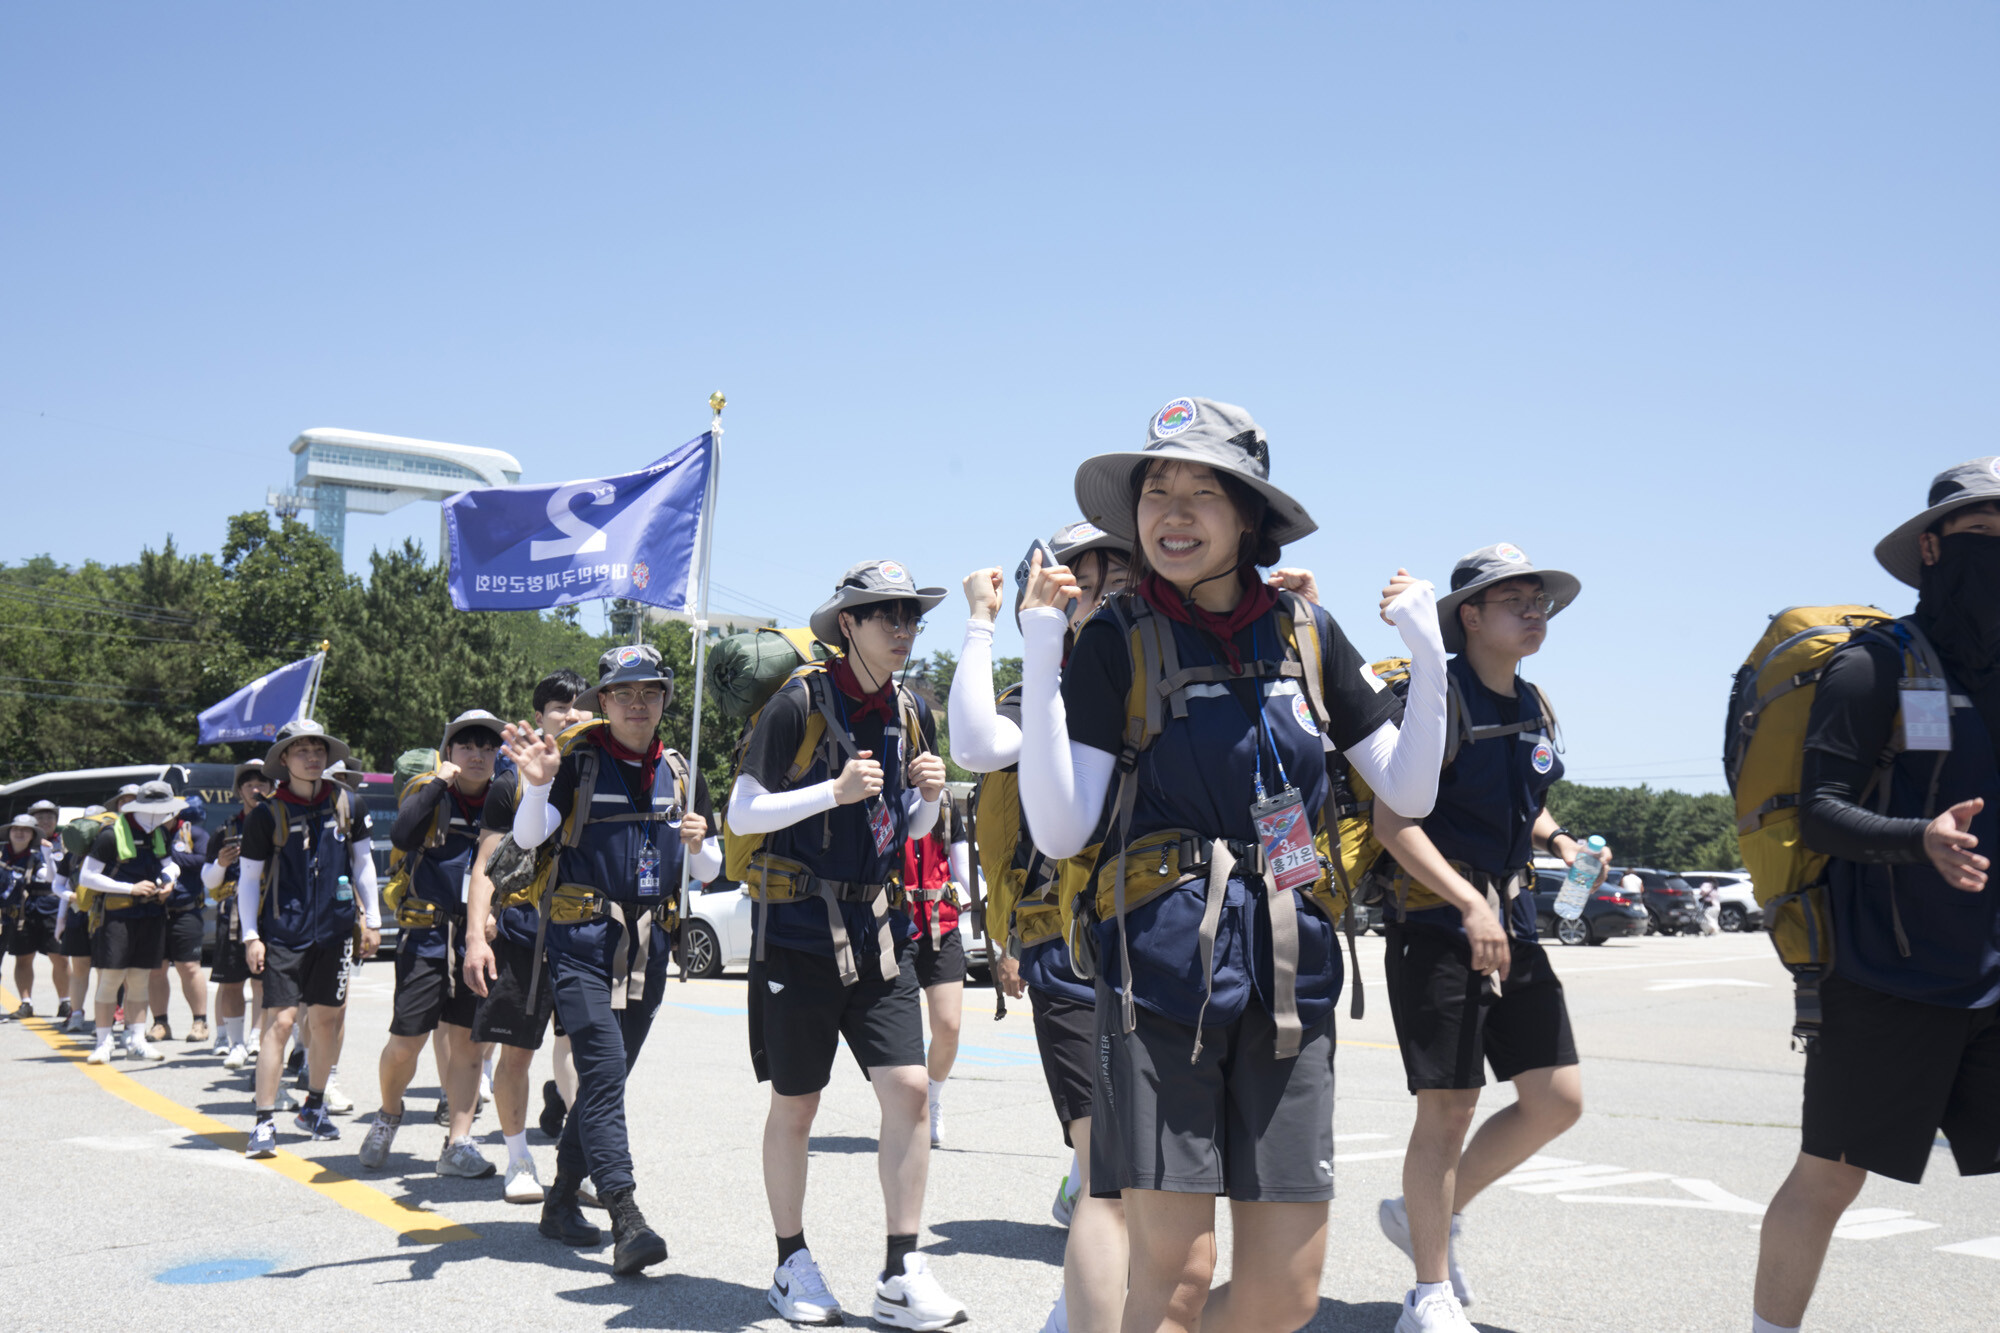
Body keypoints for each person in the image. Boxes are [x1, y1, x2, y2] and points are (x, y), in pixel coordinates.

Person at [1017, 397, 1449, 1333]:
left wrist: (1428, 653)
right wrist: (1043, 643)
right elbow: (1059, 828)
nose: (1172, 511)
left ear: (1248, 515)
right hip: (1163, 975)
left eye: (1202, 492)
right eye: (1156, 491)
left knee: (1283, 1298)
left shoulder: (1307, 632)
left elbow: (1406, 792)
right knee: (1173, 1281)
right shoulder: (1116, 640)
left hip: (1292, 974)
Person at [1751, 459, 2000, 1333]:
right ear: (1931, 547)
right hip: (1887, 975)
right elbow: (1819, 813)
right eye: (1985, 533)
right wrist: (1918, 839)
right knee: (1830, 1175)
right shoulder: (1874, 664)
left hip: (1993, 974)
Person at [1356, 543, 1601, 1332]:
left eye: (1541, 601)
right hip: (1436, 921)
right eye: (1517, 601)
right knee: (1450, 1107)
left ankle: (1419, 1209)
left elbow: (1524, 794)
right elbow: (1394, 822)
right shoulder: (1436, 697)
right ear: (1469, 616)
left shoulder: (1533, 703)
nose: (1537, 613)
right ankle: (1427, 1293)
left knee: (1556, 1099)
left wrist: (1561, 841)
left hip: (1512, 919)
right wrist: (1468, 902)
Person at [726, 559, 966, 1329]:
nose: (903, 629)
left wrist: (927, 798)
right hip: (796, 932)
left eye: (911, 618)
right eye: (886, 616)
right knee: (797, 1105)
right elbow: (742, 812)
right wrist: (831, 790)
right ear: (848, 626)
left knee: (909, 1091)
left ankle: (902, 1269)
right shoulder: (799, 701)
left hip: (876, 930)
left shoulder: (913, 708)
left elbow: (902, 831)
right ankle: (789, 1260)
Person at [949, 518, 1131, 1333]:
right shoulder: (1046, 690)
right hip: (1069, 945)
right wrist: (986, 623)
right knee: (1109, 1173)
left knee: (1142, 1174)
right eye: (1094, 576)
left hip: (1160, 944)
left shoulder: (1157, 672)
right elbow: (977, 742)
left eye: (1120, 574)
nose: (1109, 590)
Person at [503, 643, 719, 1276]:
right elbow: (527, 838)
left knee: (604, 1079)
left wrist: (702, 843)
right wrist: (539, 787)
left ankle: (561, 1201)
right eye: (623, 694)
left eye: (649, 692)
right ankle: (626, 1214)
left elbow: (708, 871)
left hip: (650, 948)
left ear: (664, 701)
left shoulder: (682, 768)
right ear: (602, 702)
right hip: (581, 944)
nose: (637, 704)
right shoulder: (577, 761)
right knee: (601, 1065)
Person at [360, 710, 508, 1180]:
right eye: (467, 746)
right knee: (406, 1042)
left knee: (468, 1046)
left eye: (487, 747)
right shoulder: (430, 794)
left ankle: (457, 1142)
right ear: (449, 753)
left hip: (476, 939)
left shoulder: (504, 801)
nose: (478, 755)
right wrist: (439, 784)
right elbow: (402, 835)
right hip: (425, 936)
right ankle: (388, 1113)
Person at [465, 668, 593, 1205]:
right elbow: (486, 864)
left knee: (586, 1055)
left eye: (578, 705)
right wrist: (476, 934)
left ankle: (586, 1162)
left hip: (586, 935)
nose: (569, 714)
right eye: (558, 707)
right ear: (538, 715)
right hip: (523, 936)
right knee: (516, 1053)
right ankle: (518, 1157)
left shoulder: (601, 769)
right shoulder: (509, 782)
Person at [237, 720, 381, 1158]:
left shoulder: (347, 804)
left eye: (318, 748)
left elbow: (363, 865)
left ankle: (313, 1107)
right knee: (279, 1024)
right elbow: (248, 879)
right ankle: (263, 1121)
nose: (312, 756)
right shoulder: (267, 813)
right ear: (284, 760)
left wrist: (371, 919)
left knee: (325, 1023)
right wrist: (251, 936)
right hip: (282, 933)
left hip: (335, 932)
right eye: (301, 750)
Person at [75, 781, 191, 1064]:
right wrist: (130, 888)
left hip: (150, 914)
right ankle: (104, 1042)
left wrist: (169, 881)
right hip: (117, 915)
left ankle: (136, 1039)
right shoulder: (110, 836)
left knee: (139, 981)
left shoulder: (158, 834)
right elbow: (87, 877)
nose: (162, 815)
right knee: (111, 980)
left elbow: (170, 864)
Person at [900, 790, 970, 1149]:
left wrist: (999, 914)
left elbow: (963, 867)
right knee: (904, 1032)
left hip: (941, 924)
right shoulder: (881, 791)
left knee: (949, 1026)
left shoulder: (944, 801)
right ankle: (907, 1107)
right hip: (896, 925)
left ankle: (933, 1095)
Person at [205, 762, 273, 1068]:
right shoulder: (225, 830)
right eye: (250, 785)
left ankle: (257, 1038)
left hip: (271, 908)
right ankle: (235, 1043)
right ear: (239, 791)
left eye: (263, 783)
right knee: (232, 981)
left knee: (262, 982)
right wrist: (220, 863)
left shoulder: (279, 823)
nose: (257, 789)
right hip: (233, 910)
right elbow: (208, 881)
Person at [54, 786, 137, 1036]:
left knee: (105, 969)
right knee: (79, 967)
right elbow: (57, 884)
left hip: (104, 914)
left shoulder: (114, 847)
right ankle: (77, 1014)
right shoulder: (73, 855)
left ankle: (109, 1015)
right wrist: (70, 899)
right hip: (79, 915)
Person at [147, 794, 211, 1044]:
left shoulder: (193, 833)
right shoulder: (149, 835)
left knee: (189, 967)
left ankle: (200, 1022)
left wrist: (171, 858)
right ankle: (160, 1023)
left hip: (186, 910)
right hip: (155, 911)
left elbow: (205, 859)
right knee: (156, 970)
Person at [4, 814, 61, 1017]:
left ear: (32, 835)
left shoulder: (35, 857)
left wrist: (47, 854)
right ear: (9, 832)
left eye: (26, 830)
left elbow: (50, 878)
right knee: (19, 958)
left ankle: (62, 1002)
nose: (19, 833)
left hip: (27, 913)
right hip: (9, 916)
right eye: (16, 829)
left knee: (56, 956)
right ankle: (26, 1002)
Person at [25, 801, 73, 1022]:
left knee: (60, 958)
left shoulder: (63, 843)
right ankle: (26, 1002)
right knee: (23, 957)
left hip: (54, 905)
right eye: (39, 817)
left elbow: (57, 876)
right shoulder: (23, 841)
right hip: (27, 906)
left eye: (49, 817)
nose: (45, 821)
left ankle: (65, 1002)